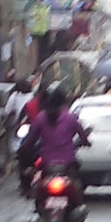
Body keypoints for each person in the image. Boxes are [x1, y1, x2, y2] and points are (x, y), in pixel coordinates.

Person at [22, 79, 90, 214]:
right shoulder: (70, 118)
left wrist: (24, 152)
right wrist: (85, 142)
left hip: (47, 163)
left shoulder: (40, 118)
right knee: (77, 181)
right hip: (68, 162)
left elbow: (30, 140)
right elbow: (82, 136)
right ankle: (77, 205)